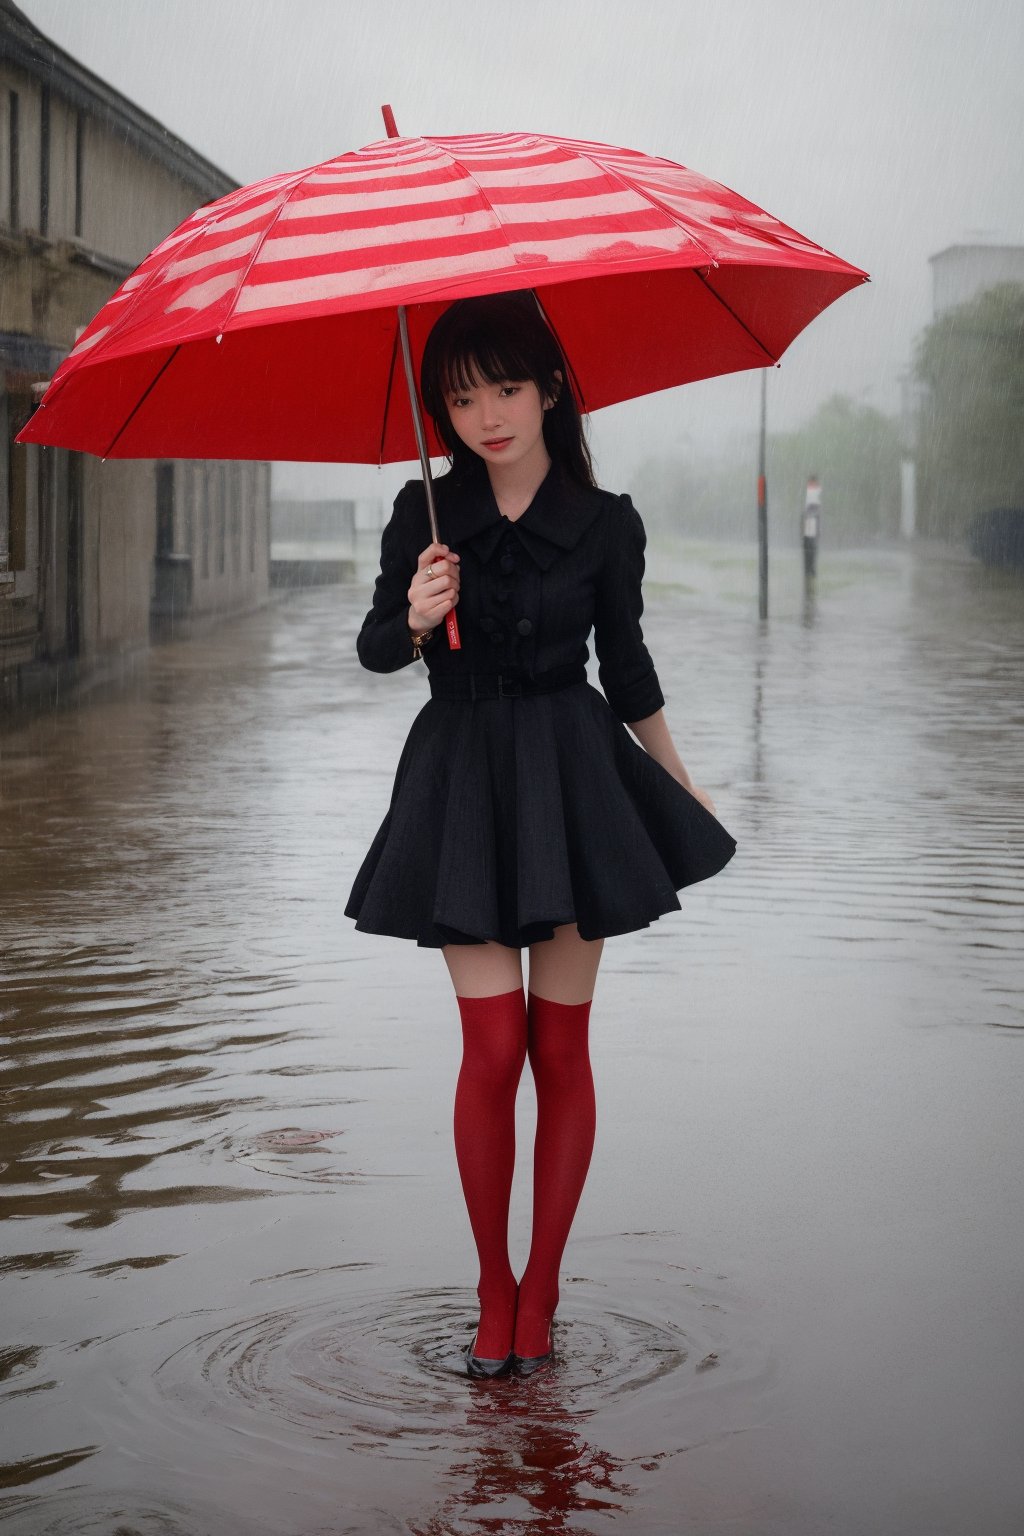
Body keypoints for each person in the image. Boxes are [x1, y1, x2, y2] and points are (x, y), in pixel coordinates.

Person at [344, 290, 737, 1380]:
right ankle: (491, 1288)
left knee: (560, 1048)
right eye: (460, 396)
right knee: (493, 1049)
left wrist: (677, 783)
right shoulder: (419, 513)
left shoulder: (605, 522)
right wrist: (416, 615)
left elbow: (630, 666)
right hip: (462, 785)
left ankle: (544, 1287)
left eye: (506, 388)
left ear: (553, 387)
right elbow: (377, 651)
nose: (486, 416)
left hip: (573, 785)